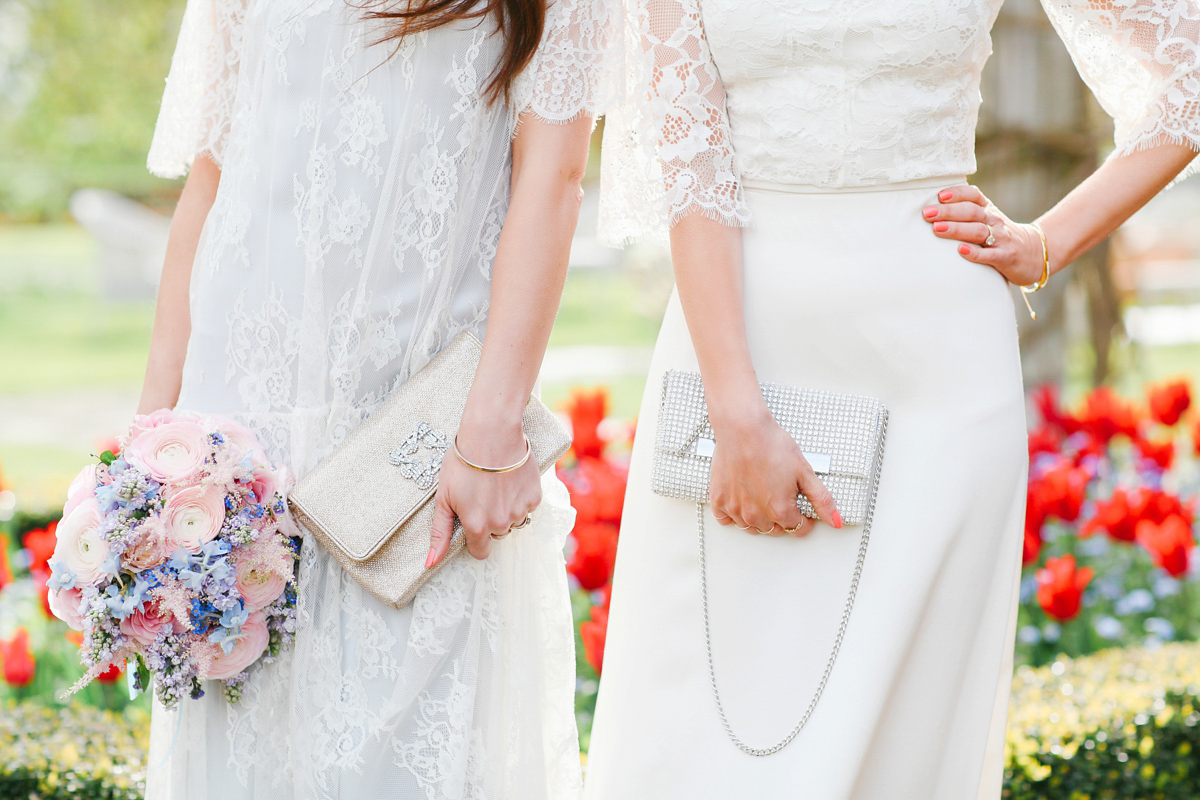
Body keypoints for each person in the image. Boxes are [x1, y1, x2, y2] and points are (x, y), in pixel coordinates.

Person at [585, 0, 1199, 797]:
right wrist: (736, 413)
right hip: (740, 350)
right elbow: (692, 168)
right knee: (701, 730)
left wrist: (1049, 241)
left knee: (910, 738)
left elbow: (1188, 75)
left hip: (940, 370)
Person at [135, 0, 613, 796]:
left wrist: (490, 430)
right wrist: (149, 446)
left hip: (414, 445)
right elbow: (211, 174)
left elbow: (554, 175)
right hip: (236, 454)